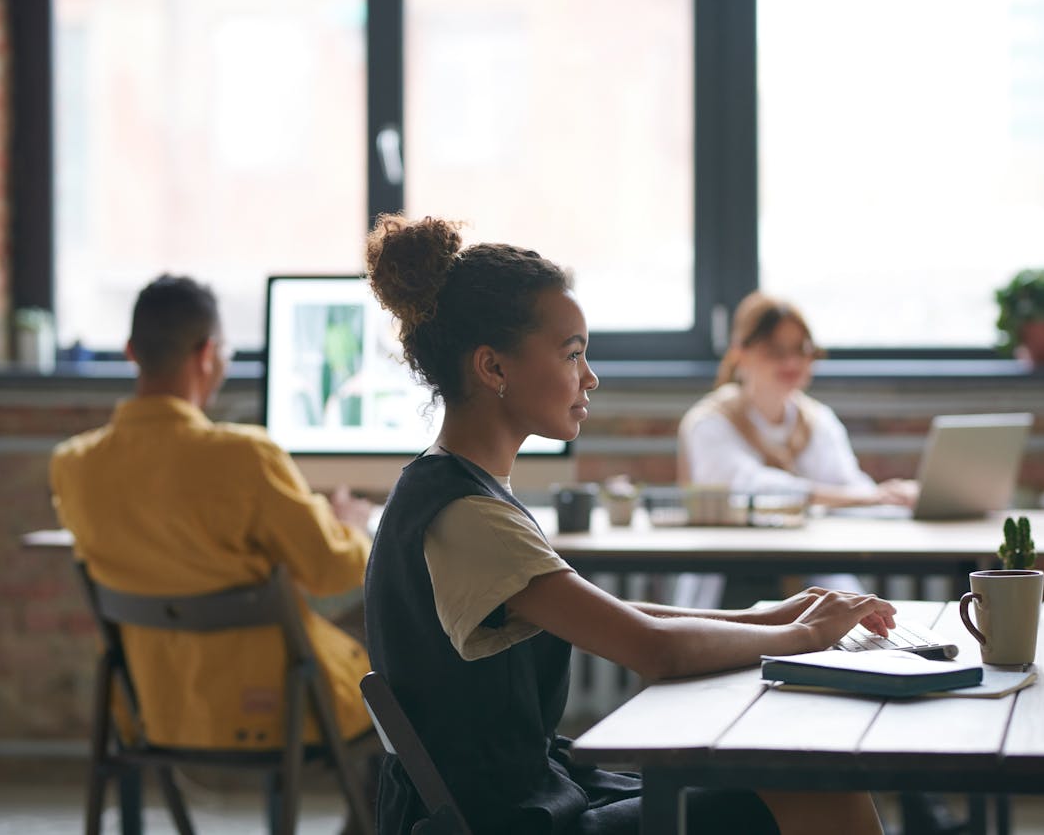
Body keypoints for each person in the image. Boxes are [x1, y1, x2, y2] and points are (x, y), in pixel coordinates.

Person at [362, 214, 896, 835]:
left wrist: (777, 615)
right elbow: (654, 649)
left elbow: (622, 616)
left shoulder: (456, 490)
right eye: (572, 354)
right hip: (515, 820)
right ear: (493, 368)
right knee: (821, 795)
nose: (590, 377)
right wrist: (800, 638)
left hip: (530, 795)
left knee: (799, 782)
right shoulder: (465, 516)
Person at [49, 276, 375, 767]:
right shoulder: (247, 456)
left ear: (131, 352)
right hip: (283, 710)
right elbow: (332, 571)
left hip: (153, 713)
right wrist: (351, 528)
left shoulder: (73, 465)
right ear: (207, 354)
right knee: (411, 669)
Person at [679, 291, 917, 509]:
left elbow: (849, 485)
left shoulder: (817, 419)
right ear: (740, 354)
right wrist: (862, 497)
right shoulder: (710, 422)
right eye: (775, 350)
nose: (791, 363)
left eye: (801, 350)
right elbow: (744, 489)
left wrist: (893, 496)